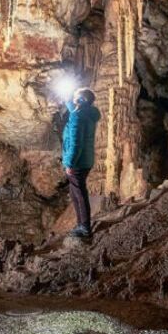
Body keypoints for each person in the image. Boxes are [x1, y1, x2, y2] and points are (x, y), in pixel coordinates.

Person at [62, 87, 100, 238]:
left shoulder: (77, 117)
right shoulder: (87, 114)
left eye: (75, 97)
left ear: (81, 100)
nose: (73, 98)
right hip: (85, 160)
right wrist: (67, 101)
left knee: (79, 194)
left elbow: (76, 143)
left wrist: (70, 164)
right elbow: (76, 110)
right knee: (75, 192)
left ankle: (85, 227)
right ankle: (81, 225)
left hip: (77, 162)